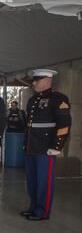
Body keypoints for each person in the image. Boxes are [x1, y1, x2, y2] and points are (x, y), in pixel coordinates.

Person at [21, 69, 71, 221]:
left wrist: (57, 146)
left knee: (44, 180)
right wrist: (26, 144)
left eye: (37, 80)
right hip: (31, 145)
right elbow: (29, 126)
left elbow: (64, 124)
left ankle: (42, 211)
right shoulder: (33, 100)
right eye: (34, 80)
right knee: (32, 180)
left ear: (47, 80)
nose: (33, 83)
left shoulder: (58, 99)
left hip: (45, 147)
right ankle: (33, 206)